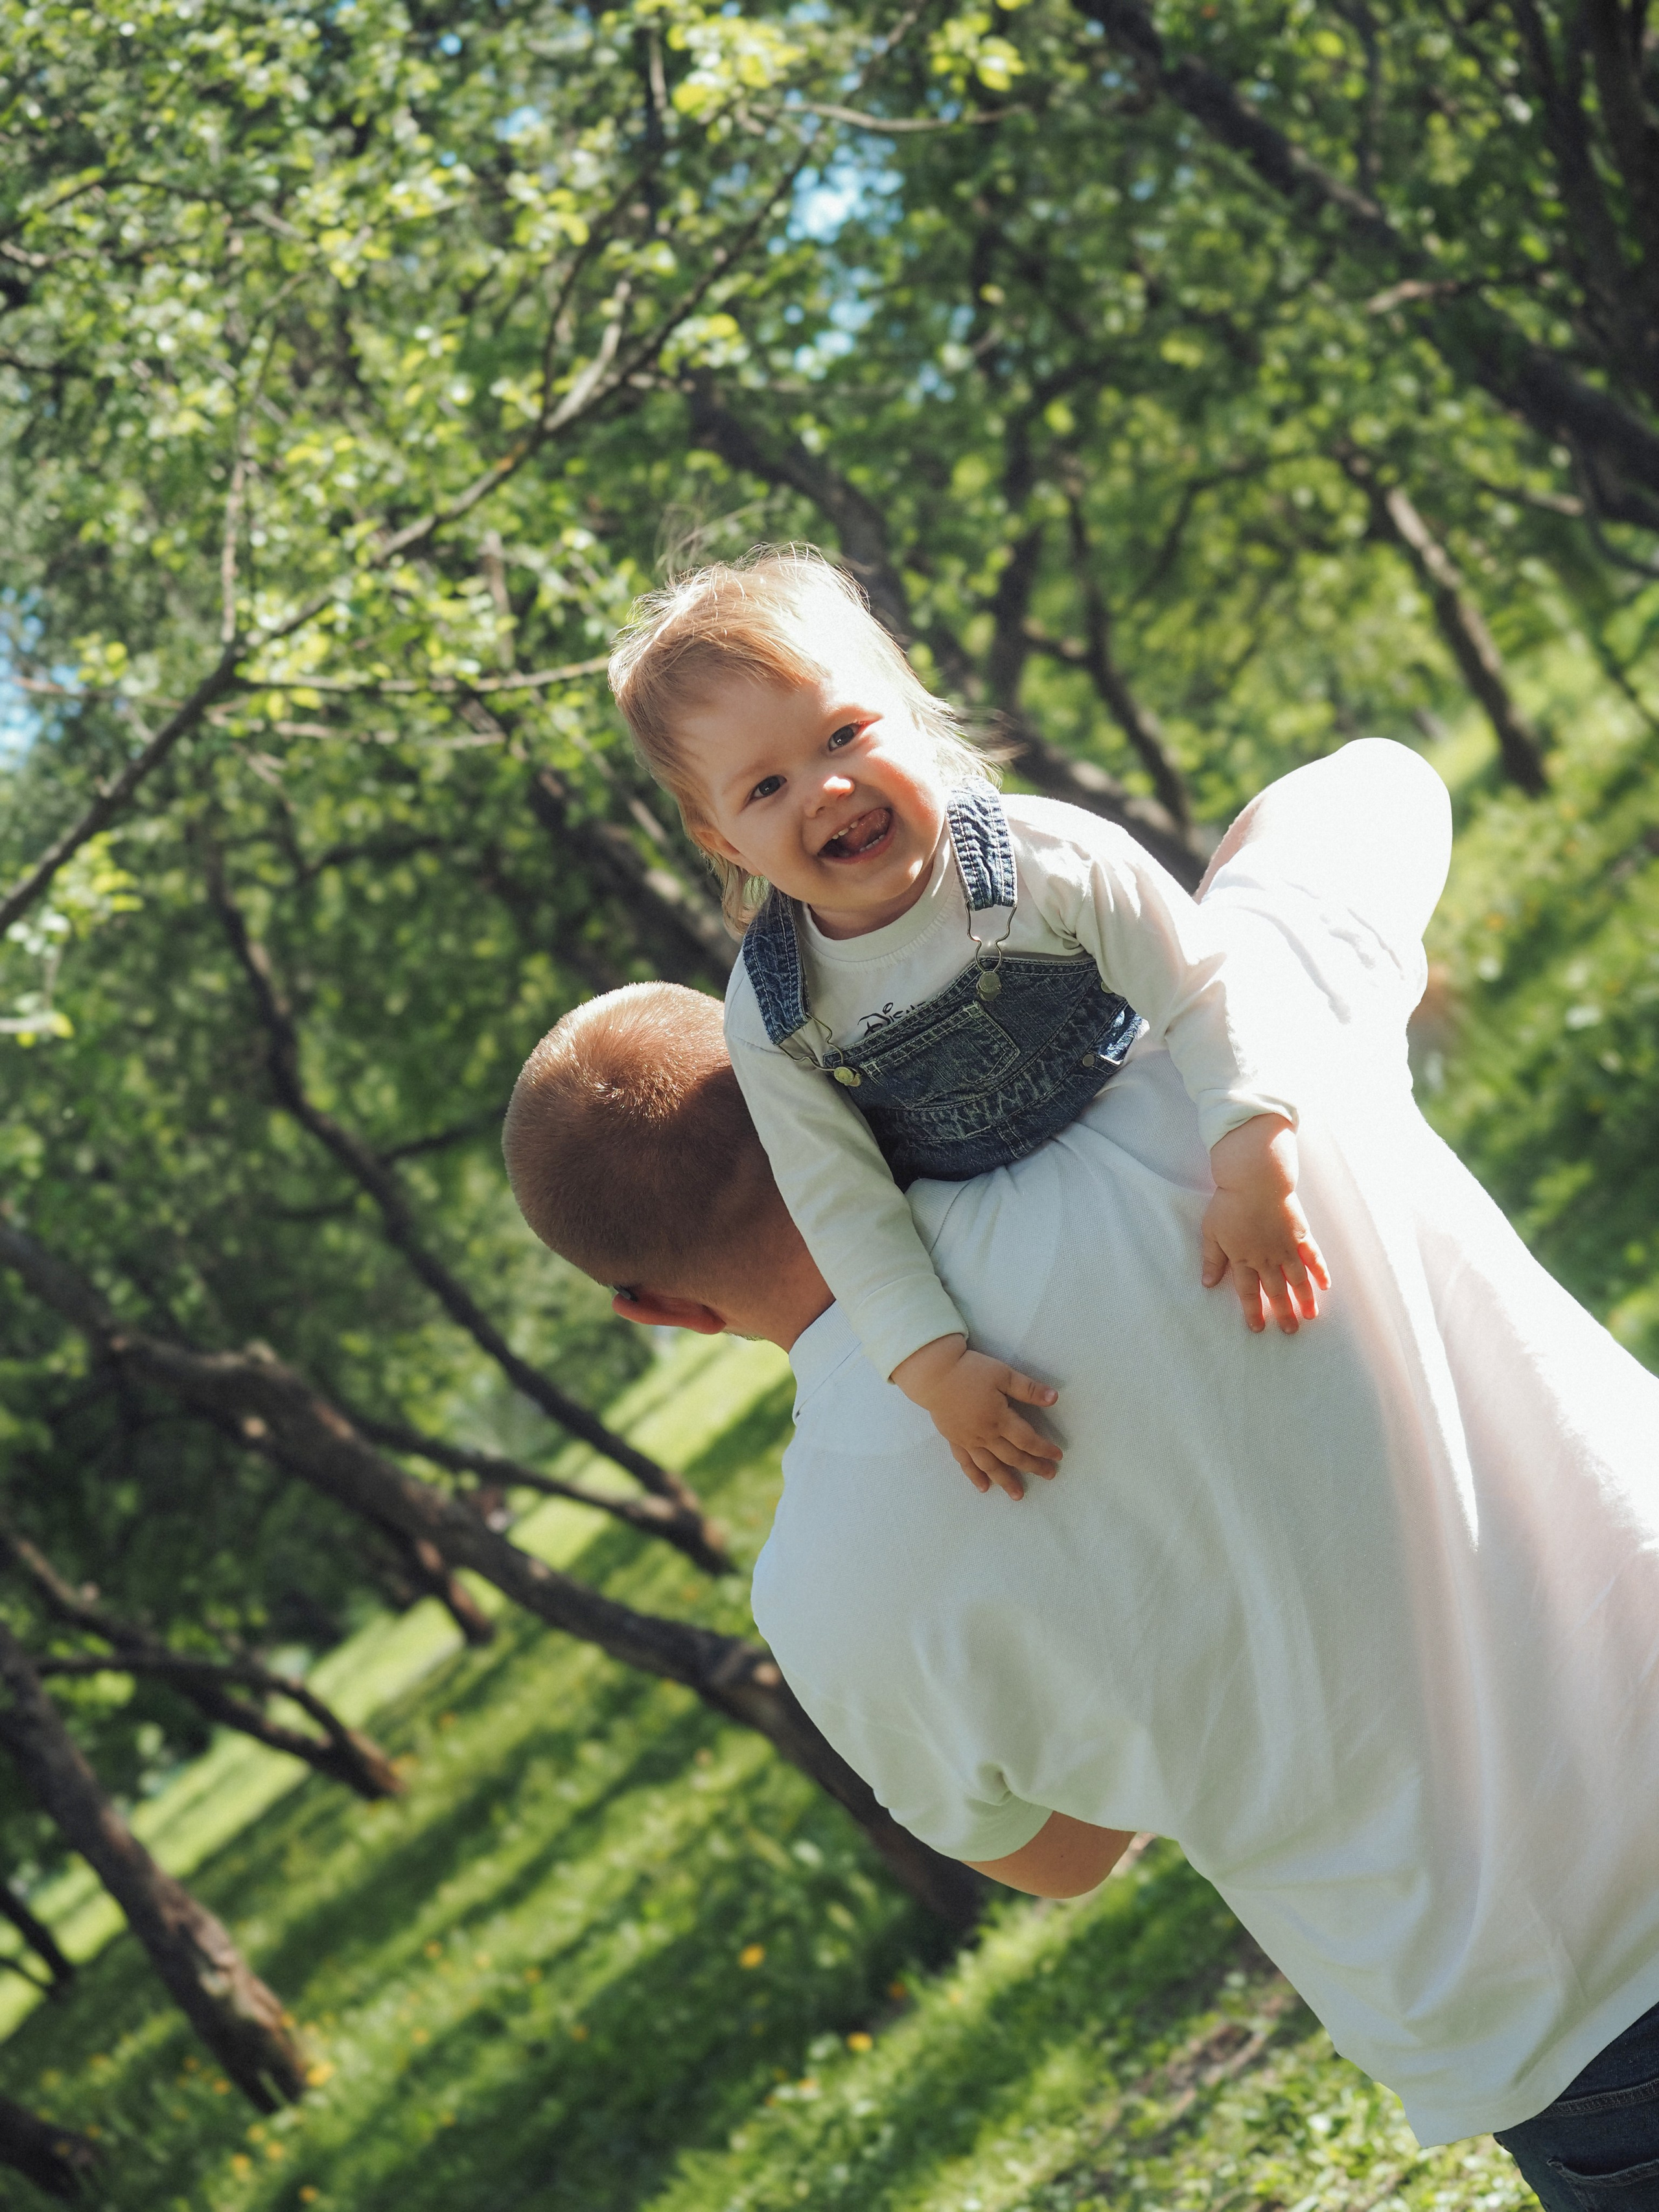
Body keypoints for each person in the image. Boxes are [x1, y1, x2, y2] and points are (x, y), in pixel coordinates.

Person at [503, 743, 1659, 2211]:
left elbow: (1062, 1858)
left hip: (1564, 2037)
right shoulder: (1229, 1078)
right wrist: (1135, 909)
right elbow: (1377, 784)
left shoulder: (822, 1600)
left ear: (657, 1311)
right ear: (829, 1082)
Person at [605, 546, 1329, 1498]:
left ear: (906, 701)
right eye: (765, 788)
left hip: (1127, 1093)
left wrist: (1248, 1154)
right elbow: (843, 1206)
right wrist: (933, 1365)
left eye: (842, 734)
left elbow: (1196, 984)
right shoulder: (775, 1014)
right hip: (990, 1221)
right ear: (719, 837)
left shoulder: (1044, 859)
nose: (826, 788)